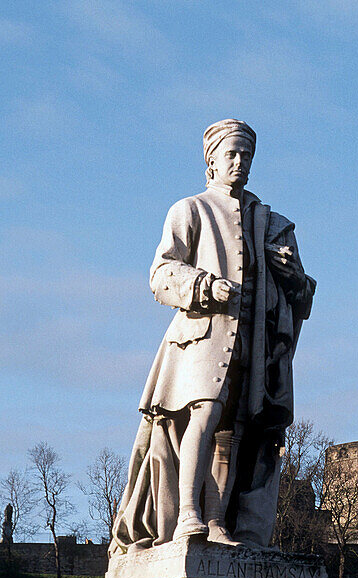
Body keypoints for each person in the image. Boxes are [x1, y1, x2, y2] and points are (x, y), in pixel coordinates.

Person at [110, 119, 315, 554]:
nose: (240, 163)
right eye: (232, 155)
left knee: (234, 432)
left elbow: (302, 293)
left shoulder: (272, 223)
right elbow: (161, 273)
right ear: (212, 160)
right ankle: (187, 513)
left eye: (247, 156)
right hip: (200, 340)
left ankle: (217, 522)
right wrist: (203, 286)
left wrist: (290, 273)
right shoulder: (189, 210)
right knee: (203, 415)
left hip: (253, 345)